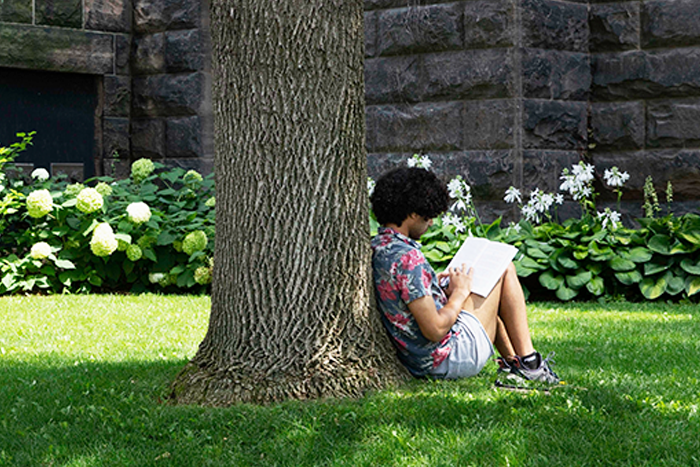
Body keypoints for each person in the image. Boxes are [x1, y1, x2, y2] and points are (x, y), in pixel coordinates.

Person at [370, 167, 559, 383]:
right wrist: (459, 293)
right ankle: (531, 363)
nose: (431, 223)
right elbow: (435, 329)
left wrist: (435, 288)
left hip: (417, 358)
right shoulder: (408, 258)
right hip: (445, 358)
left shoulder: (378, 247)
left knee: (487, 290)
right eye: (428, 217)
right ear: (413, 214)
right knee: (504, 268)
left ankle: (513, 364)